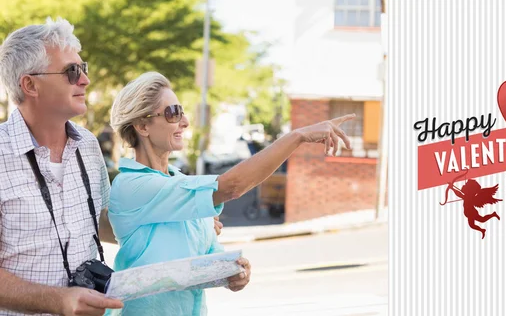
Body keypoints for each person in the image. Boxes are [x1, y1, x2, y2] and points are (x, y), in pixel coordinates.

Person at [105, 71, 355, 315]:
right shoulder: (132, 186)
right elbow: (231, 186)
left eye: (181, 111)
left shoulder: (181, 184)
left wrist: (231, 270)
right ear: (142, 125)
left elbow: (206, 251)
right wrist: (297, 136)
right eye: (173, 113)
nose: (185, 121)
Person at [0, 18, 124, 315]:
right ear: (30, 84)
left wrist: (180, 225)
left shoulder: (89, 145)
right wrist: (58, 300)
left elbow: (100, 222)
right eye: (72, 71)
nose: (84, 80)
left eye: (83, 69)